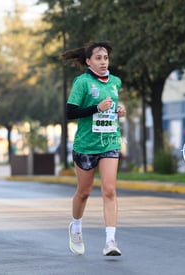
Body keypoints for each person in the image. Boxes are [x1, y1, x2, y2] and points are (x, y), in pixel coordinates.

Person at [62, 41, 126, 256]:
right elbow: (70, 113)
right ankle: (76, 228)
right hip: (86, 145)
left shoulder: (116, 81)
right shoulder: (82, 82)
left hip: (110, 142)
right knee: (84, 192)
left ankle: (110, 241)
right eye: (98, 58)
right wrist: (96, 108)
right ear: (88, 61)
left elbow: (112, 106)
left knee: (109, 190)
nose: (103, 62)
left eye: (106, 58)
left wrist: (119, 110)